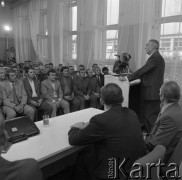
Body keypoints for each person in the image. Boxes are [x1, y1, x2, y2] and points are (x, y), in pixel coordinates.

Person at [68, 83, 146, 180]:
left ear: (101, 100)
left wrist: (75, 127)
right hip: (134, 165)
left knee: (83, 156)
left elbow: (74, 140)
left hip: (112, 170)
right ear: (122, 98)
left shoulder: (100, 120)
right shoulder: (131, 113)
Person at [120, 39, 165, 132]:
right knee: (150, 116)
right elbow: (149, 73)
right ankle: (151, 136)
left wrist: (127, 78)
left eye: (147, 45)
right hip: (153, 92)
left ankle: (151, 140)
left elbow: (143, 70)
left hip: (151, 93)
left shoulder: (155, 57)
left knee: (150, 116)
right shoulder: (157, 57)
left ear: (153, 47)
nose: (145, 47)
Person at [145, 81, 182, 163]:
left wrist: (141, 140)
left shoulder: (169, 117)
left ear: (162, 96)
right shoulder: (174, 109)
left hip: (158, 159)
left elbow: (154, 145)